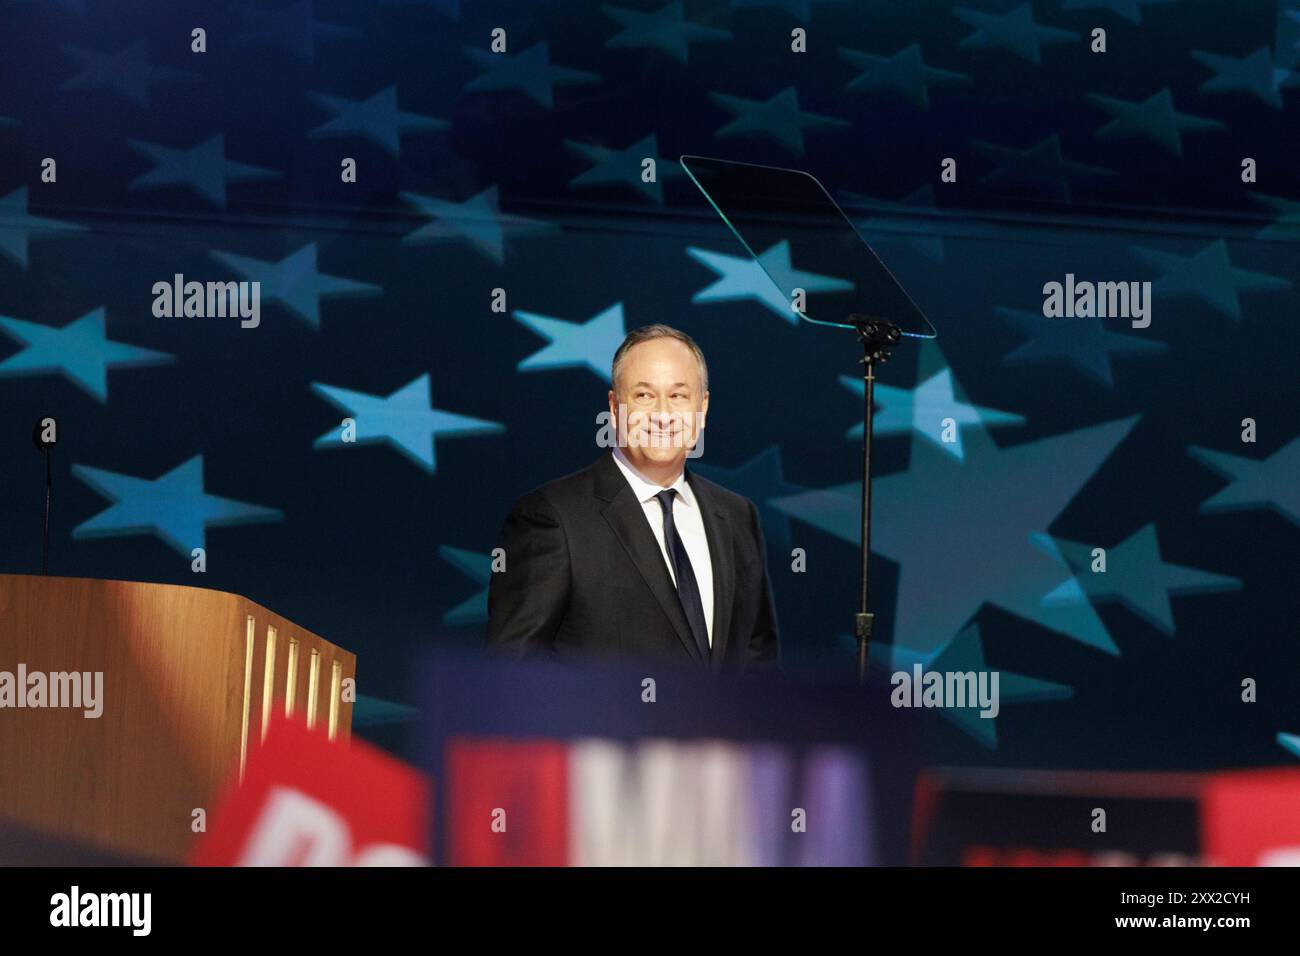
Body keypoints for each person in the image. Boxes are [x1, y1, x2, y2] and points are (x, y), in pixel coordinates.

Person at [486, 323, 780, 672]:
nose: (662, 414)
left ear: (702, 408)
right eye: (643, 395)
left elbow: (758, 667)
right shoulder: (552, 517)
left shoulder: (737, 517)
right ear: (614, 406)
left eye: (678, 395)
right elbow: (511, 675)